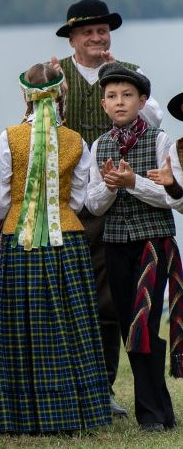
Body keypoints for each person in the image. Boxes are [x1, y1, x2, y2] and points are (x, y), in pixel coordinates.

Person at [0, 62, 111, 433]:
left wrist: (25, 208)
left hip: (18, 240)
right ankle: (75, 410)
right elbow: (82, 199)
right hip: (67, 239)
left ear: (24, 95)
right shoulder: (75, 140)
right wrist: (54, 210)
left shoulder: (9, 137)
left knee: (21, 326)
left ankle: (22, 413)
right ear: (61, 95)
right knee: (71, 324)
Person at [52, 0, 162, 417]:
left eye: (102, 30)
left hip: (130, 202)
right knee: (76, 297)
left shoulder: (129, 72)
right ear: (73, 38)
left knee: (115, 301)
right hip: (78, 204)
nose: (97, 37)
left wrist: (127, 75)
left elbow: (154, 123)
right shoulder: (57, 73)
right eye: (88, 32)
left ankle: (105, 390)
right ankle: (76, 386)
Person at [85, 64, 179, 432]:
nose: (119, 101)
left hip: (152, 244)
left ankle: (151, 415)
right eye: (111, 96)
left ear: (142, 101)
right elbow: (93, 204)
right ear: (104, 105)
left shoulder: (160, 141)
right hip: (115, 246)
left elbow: (172, 197)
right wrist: (111, 186)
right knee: (130, 327)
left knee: (144, 324)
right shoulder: (99, 146)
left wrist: (132, 181)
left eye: (127, 95)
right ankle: (160, 411)